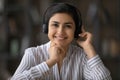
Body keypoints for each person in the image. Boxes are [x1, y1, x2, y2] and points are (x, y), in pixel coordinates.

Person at [10, 3, 112, 80]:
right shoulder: (32, 54)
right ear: (46, 28)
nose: (60, 32)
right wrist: (51, 62)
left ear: (76, 31)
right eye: (55, 25)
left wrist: (88, 47)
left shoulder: (81, 57)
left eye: (68, 26)